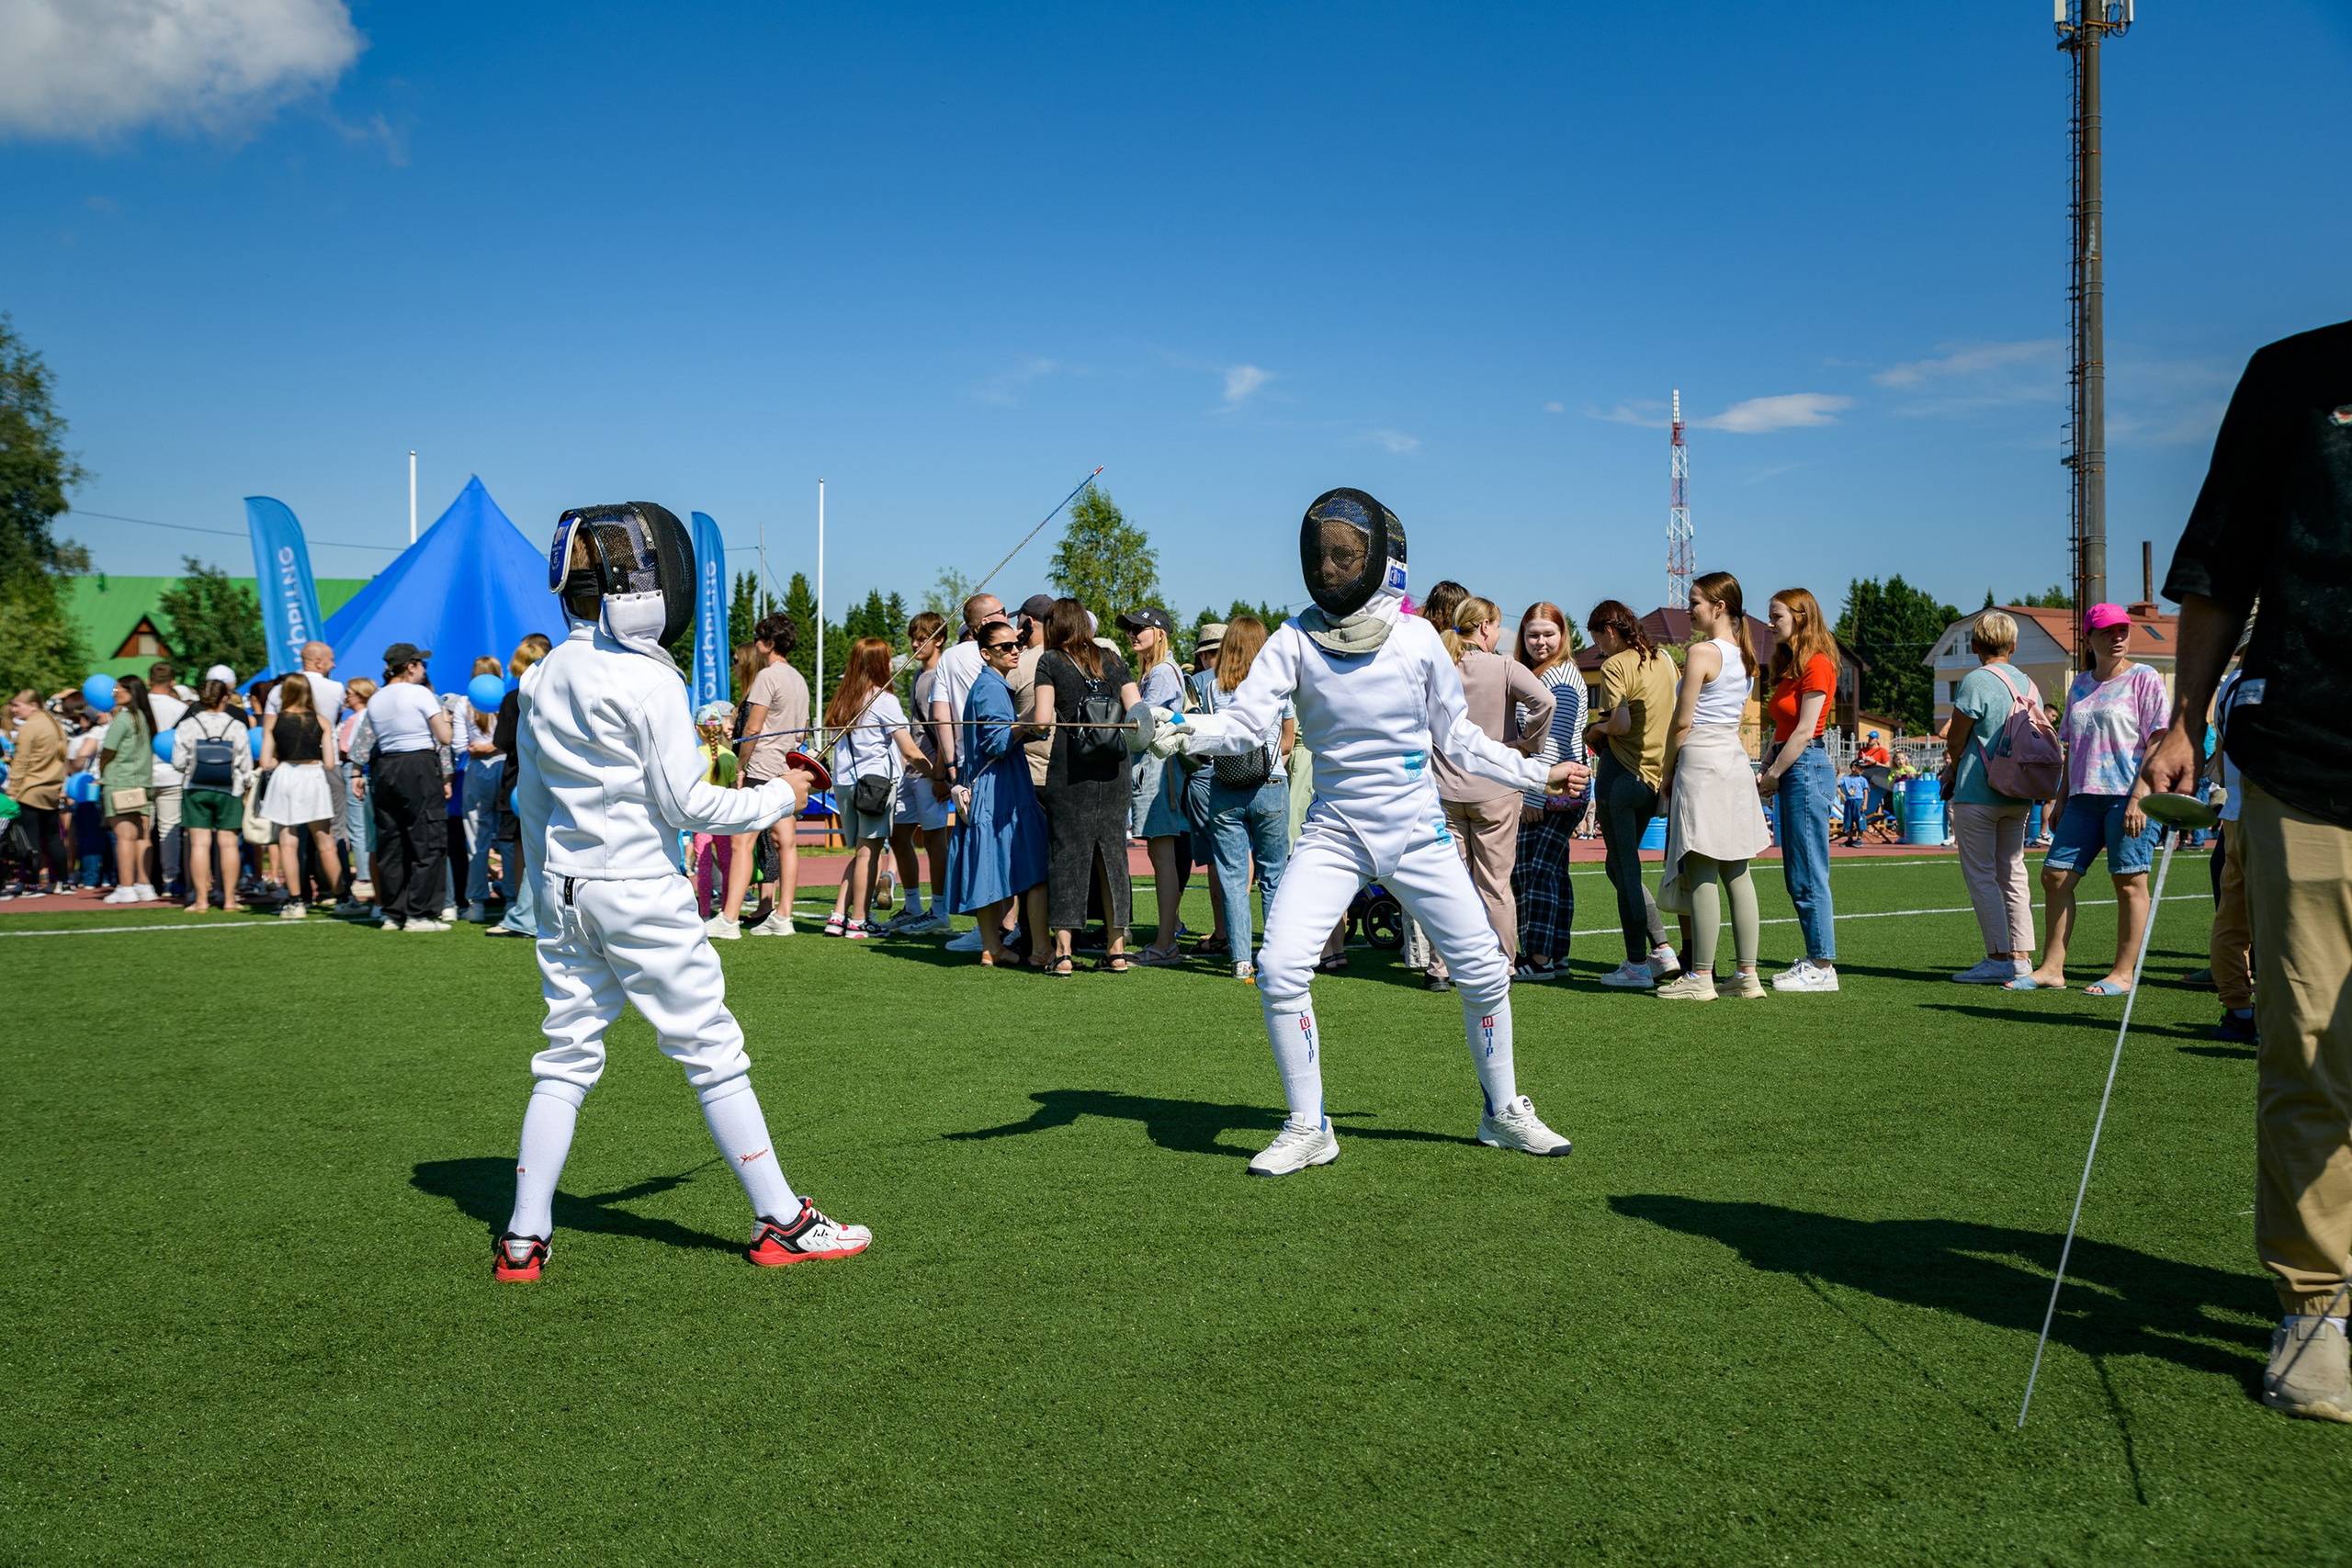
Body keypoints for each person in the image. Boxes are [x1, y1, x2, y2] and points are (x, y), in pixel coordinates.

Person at [1153, 488, 1589, 1174]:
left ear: (1379, 559)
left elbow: (1462, 741)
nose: (1329, 567)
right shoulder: (1294, 639)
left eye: (1344, 554)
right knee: (1278, 966)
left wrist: (1539, 772)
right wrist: (1184, 729)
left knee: (1482, 965)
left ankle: (1502, 1111)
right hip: (1336, 831)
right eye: (1322, 554)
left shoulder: (1417, 639)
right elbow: (1244, 723)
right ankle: (1308, 1124)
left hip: (1418, 830)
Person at [498, 501, 852, 1282]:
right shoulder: (650, 681)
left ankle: (524, 1238)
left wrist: (544, 894)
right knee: (713, 1053)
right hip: (639, 893)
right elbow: (688, 806)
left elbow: (531, 805)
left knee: (564, 1059)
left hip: (566, 891)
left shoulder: (542, 675)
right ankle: (784, 1220)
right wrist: (782, 797)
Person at [2139, 318, 2352, 1422]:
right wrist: (2184, 713)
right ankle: (2318, 1303)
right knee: (2310, 1043)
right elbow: (2221, 558)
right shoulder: (2295, 377)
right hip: (2311, 759)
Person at [2008, 603, 2167, 995]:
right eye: (2108, 631)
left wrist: (2140, 795)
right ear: (2089, 638)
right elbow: (2070, 747)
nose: (2117, 637)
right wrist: (2061, 799)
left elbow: (2158, 739)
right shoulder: (2080, 683)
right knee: (2055, 876)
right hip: (2082, 796)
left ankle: (2123, 974)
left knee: (2129, 882)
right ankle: (2052, 969)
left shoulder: (2144, 678)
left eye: (2123, 630)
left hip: (2128, 795)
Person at [1426, 596, 1554, 993]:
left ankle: (1439, 966)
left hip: (1445, 786)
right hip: (1495, 788)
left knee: (1449, 882)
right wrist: (1525, 744)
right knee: (1495, 885)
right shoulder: (1503, 666)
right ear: (1485, 627)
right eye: (1498, 627)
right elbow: (1545, 701)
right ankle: (1502, 963)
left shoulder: (1439, 664)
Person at [1655, 572, 1773, 1000]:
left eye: (1696, 602)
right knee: (1737, 871)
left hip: (1702, 759)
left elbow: (1682, 721)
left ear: (1719, 607)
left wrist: (1666, 771)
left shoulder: (1702, 651)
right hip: (1733, 757)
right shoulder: (1746, 654)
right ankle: (1747, 974)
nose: (1690, 609)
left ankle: (1701, 976)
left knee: (1702, 866)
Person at [1032, 597, 1143, 975]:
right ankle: (1116, 951)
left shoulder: (1050, 661)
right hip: (1114, 771)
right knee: (1113, 857)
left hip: (1070, 772)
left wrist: (1021, 725)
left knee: (1066, 858)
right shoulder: (1111, 658)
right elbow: (1138, 713)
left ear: (1054, 627)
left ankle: (1063, 954)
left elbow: (1043, 722)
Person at [1939, 610, 2043, 985]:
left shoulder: (1976, 681)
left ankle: (1998, 956)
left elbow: (1956, 738)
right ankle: (2022, 955)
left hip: (1979, 792)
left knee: (1982, 875)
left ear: (1976, 645)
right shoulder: (2029, 685)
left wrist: (1953, 765)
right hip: (2019, 792)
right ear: (2013, 645)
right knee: (2014, 873)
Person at [1193, 616, 1296, 981]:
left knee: (1234, 875)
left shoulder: (1209, 689)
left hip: (1225, 785)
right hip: (1270, 782)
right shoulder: (1276, 687)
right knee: (1274, 875)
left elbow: (1206, 737)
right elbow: (1287, 739)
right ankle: (1276, 957)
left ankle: (1240, 960)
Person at [1583, 601, 1679, 989]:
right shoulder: (1665, 660)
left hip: (1620, 776)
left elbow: (1619, 722)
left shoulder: (1614, 665)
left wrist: (1596, 730)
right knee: (1617, 867)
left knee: (1625, 869)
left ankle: (1636, 965)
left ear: (1609, 630)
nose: (1600, 650)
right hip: (1654, 778)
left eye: (1597, 640)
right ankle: (1662, 949)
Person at [945, 619, 1049, 966]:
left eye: (1018, 643)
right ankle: (1039, 950)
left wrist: (1029, 727)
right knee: (1034, 867)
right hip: (1000, 789)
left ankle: (992, 947)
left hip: (992, 787)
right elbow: (995, 741)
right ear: (986, 653)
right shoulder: (990, 686)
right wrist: (1029, 720)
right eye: (1006, 647)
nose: (1016, 650)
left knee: (987, 867)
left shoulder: (990, 684)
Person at [1757, 588, 1840, 992]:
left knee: (1808, 872)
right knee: (1797, 872)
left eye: (1776, 616)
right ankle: (1816, 958)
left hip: (1805, 769)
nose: (1770, 624)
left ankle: (1822, 965)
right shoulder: (1793, 666)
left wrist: (1774, 772)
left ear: (1801, 617)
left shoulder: (1819, 664)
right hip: (1795, 769)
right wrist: (1768, 769)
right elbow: (1784, 729)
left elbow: (1806, 731)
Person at [823, 636, 933, 938]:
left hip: (844, 783)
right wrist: (938, 774)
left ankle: (837, 916)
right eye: (885, 660)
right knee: (868, 853)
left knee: (862, 851)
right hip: (873, 787)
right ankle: (859, 921)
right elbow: (909, 750)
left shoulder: (843, 697)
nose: (890, 665)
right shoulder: (884, 700)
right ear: (876, 664)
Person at [1507, 601, 1587, 984]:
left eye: (1548, 634)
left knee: (1533, 872)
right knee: (1553, 873)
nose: (1540, 641)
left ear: (1562, 635)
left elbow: (1554, 740)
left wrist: (1534, 794)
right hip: (1555, 786)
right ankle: (1555, 956)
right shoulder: (1537, 673)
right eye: (1532, 634)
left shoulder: (1563, 677)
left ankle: (1538, 959)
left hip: (1556, 789)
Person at [725, 613, 810, 938]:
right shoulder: (799, 679)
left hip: (762, 768)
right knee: (786, 843)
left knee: (741, 842)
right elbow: (801, 734)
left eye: (760, 639)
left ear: (769, 644)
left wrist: (741, 766)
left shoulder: (767, 677)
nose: (756, 644)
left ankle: (729, 919)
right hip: (787, 770)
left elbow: (753, 728)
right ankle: (783, 916)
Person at [1119, 606, 1193, 964]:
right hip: (1155, 769)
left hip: (1158, 768)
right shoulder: (1158, 670)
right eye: (1130, 629)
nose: (1132, 634)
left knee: (1162, 856)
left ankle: (1166, 943)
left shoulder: (1163, 671)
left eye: (1140, 628)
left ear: (1159, 633)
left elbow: (1141, 726)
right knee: (1160, 855)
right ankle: (1168, 935)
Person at [368, 643, 456, 932]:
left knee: (391, 842)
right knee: (428, 837)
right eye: (421, 664)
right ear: (410, 666)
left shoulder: (375, 699)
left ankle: (394, 914)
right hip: (418, 764)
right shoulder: (420, 693)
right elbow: (444, 737)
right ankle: (420, 914)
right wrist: (448, 717)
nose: (424, 670)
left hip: (385, 767)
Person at [883, 612, 955, 936]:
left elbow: (944, 728)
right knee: (898, 834)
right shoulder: (918, 676)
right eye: (912, 638)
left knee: (934, 838)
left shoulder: (941, 675)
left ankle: (939, 910)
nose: (914, 644)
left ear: (938, 640)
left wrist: (940, 773)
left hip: (930, 771)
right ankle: (912, 905)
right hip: (912, 771)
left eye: (921, 638)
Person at [258, 673, 343, 919]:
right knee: (325, 841)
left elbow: (265, 762)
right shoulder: (321, 721)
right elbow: (329, 762)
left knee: (288, 841)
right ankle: (342, 896)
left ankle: (295, 901)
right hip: (313, 776)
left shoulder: (274, 722)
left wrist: (280, 758)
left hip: (285, 776)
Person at [173, 679, 253, 912]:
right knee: (228, 844)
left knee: (199, 844)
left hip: (196, 786)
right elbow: (246, 764)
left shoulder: (188, 724)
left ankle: (200, 900)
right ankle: (229, 899)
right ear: (225, 698)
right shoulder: (236, 725)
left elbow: (177, 762)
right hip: (230, 788)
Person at [98, 674, 159, 903]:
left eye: (117, 691)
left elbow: (108, 750)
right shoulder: (144, 717)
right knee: (142, 835)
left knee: (124, 836)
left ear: (130, 692)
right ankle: (144, 884)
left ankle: (126, 886)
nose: (114, 695)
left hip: (120, 781)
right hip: (142, 781)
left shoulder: (124, 719)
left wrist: (102, 768)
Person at [6, 690, 70, 895]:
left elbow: (21, 761)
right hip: (50, 788)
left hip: (31, 788)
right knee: (53, 837)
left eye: (18, 705)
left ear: (33, 705)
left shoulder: (29, 727)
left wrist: (13, 790)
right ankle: (64, 882)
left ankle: (33, 884)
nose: (14, 710)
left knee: (29, 839)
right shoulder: (54, 724)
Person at [458, 654, 505, 921]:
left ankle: (476, 902)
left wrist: (483, 747)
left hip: (477, 769)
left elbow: (458, 745)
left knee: (476, 836)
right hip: (504, 766)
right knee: (508, 838)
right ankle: (511, 898)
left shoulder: (463, 704)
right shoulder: (506, 700)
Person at [143, 660, 187, 897]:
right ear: (172, 682)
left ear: (149, 680)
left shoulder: (138, 705)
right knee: (169, 830)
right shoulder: (179, 708)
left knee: (142, 830)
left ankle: (143, 881)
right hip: (172, 774)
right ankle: (170, 880)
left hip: (143, 774)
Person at [334, 679, 377, 917]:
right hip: (374, 771)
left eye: (349, 693)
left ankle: (363, 873)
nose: (346, 697)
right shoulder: (373, 713)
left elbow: (347, 748)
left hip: (356, 770)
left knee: (358, 826)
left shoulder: (353, 719)